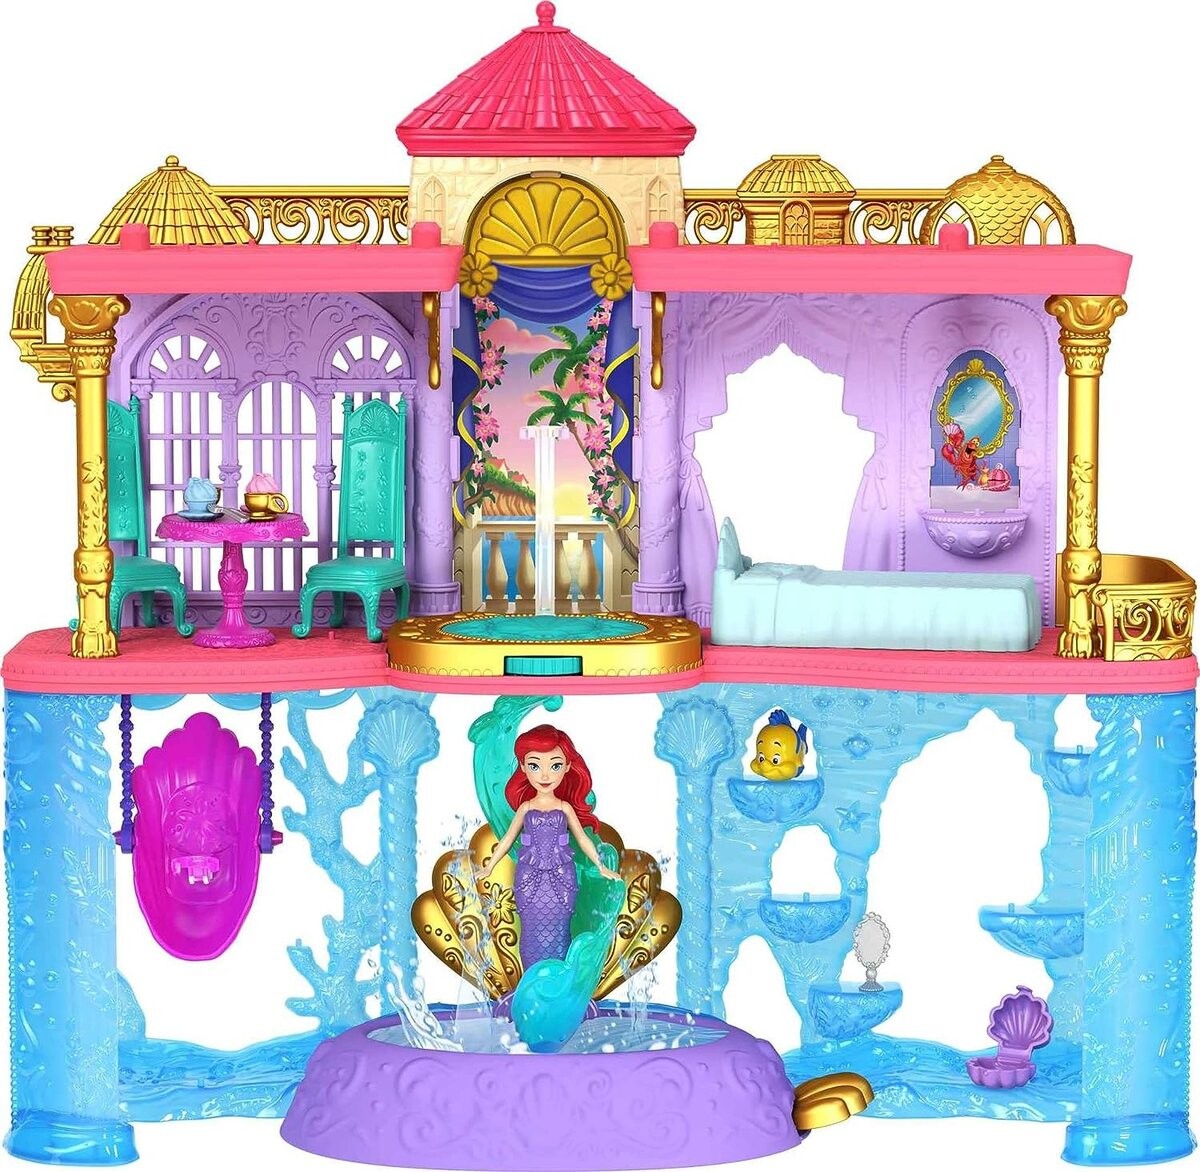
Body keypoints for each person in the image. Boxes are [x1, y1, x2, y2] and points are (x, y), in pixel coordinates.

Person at [478, 725, 620, 970]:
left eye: (555, 765)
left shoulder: (565, 808)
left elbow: (582, 839)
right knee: (531, 927)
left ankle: (559, 977)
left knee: (559, 926)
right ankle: (531, 979)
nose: (544, 775)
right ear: (523, 767)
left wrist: (601, 866)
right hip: (529, 877)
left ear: (567, 767)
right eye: (535, 765)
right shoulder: (526, 808)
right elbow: (507, 839)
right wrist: (489, 866)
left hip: (561, 876)